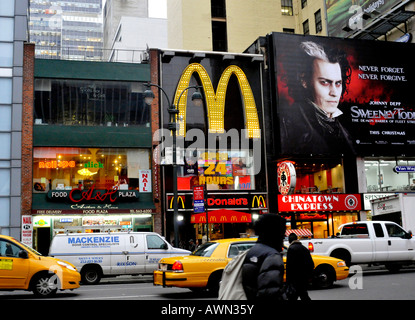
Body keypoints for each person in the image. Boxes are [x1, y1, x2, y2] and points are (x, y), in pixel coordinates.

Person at [280, 40, 355, 155]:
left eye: (338, 83)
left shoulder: (344, 127)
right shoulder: (289, 125)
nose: (334, 92)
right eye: (325, 82)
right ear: (304, 81)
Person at [241, 213, 287, 300]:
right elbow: (270, 293)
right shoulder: (272, 256)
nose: (284, 236)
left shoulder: (252, 251)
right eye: (282, 232)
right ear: (275, 232)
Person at [286, 232, 314, 300]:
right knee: (304, 295)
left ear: (289, 241)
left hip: (294, 278)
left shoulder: (291, 249)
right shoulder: (304, 249)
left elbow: (289, 266)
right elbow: (311, 264)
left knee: (293, 296)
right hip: (303, 278)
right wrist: (309, 276)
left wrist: (288, 280)